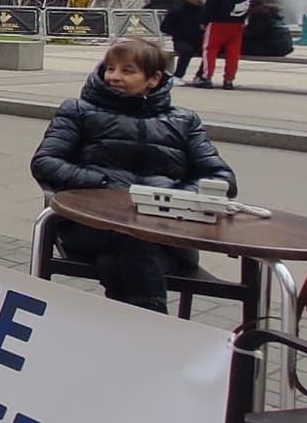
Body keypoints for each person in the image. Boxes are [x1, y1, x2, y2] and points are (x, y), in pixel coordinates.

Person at [30, 36, 236, 312]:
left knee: (117, 258)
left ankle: (132, 333)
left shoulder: (184, 121)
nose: (114, 76)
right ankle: (156, 325)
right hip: (93, 224)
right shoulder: (78, 111)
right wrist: (103, 184)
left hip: (163, 230)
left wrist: (169, 199)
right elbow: (46, 162)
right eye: (110, 69)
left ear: (153, 78)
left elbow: (221, 176)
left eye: (127, 71)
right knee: (133, 238)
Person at [191, 0, 252, 90]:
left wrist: (204, 20)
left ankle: (206, 77)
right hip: (238, 22)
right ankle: (229, 80)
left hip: (218, 21)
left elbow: (212, 2)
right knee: (233, 52)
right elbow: (249, 2)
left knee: (210, 49)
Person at [159, 0, 206, 80]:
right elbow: (164, 27)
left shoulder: (203, 9)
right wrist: (179, 33)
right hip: (181, 40)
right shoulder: (177, 9)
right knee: (186, 51)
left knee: (209, 52)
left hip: (199, 40)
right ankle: (178, 75)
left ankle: (200, 75)